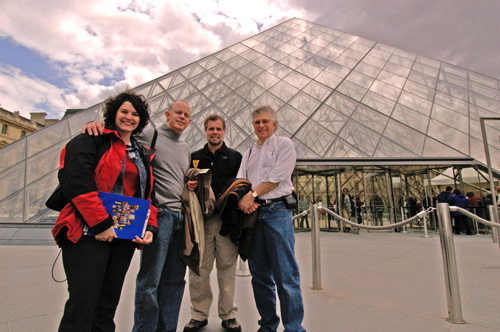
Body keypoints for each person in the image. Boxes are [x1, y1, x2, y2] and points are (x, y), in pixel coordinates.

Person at [83, 100, 193, 332]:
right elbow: (119, 132)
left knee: (174, 281)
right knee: (150, 281)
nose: (182, 117)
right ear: (167, 114)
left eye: (186, 115)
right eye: (178, 113)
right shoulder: (149, 134)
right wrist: (98, 124)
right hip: (159, 215)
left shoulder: (185, 148)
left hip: (181, 218)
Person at [53, 90, 158, 332]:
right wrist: (101, 223)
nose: (129, 117)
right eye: (124, 111)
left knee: (108, 303)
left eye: (135, 114)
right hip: (87, 231)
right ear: (113, 114)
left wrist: (149, 226)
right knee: (83, 302)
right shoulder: (91, 139)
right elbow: (75, 181)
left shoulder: (141, 153)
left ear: (141, 120)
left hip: (123, 235)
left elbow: (147, 195)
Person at [237, 105, 306, 332]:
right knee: (259, 276)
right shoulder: (248, 153)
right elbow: (241, 182)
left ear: (274, 124)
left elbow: (276, 179)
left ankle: (293, 328)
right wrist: (246, 198)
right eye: (257, 122)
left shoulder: (284, 145)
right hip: (255, 215)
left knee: (286, 275)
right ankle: (267, 325)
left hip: (277, 212)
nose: (261, 126)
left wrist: (252, 194)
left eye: (265, 121)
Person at [183, 114, 243, 332]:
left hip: (227, 222)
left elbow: (243, 186)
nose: (214, 132)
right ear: (205, 131)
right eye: (211, 129)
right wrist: (188, 184)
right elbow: (185, 182)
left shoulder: (236, 157)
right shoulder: (195, 156)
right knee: (199, 268)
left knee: (227, 268)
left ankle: (228, 314)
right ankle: (199, 314)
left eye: (218, 129)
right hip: (203, 222)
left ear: (224, 131)